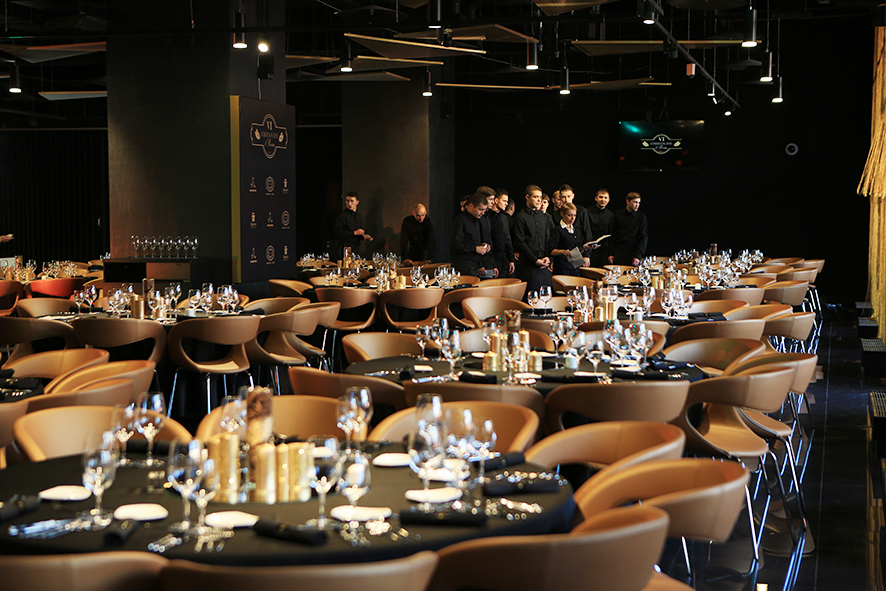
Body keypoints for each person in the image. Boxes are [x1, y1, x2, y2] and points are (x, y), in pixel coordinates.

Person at [511, 184, 552, 294]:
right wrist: (535, 260)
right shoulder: (520, 217)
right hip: (528, 264)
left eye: (540, 197)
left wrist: (548, 257)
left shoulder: (543, 216)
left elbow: (547, 238)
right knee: (531, 297)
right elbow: (520, 242)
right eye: (535, 197)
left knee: (545, 296)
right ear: (527, 197)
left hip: (543, 263)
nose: (539, 200)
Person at [450, 192, 496, 278]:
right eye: (480, 209)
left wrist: (482, 246)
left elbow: (472, 241)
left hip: (475, 266)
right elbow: (455, 244)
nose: (483, 213)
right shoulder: (460, 220)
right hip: (463, 267)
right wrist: (475, 248)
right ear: (471, 206)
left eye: (484, 210)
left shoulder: (477, 220)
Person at [550, 202, 590, 276]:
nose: (572, 218)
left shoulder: (575, 230)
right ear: (562, 214)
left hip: (575, 267)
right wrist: (563, 251)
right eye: (569, 215)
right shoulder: (558, 230)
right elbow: (551, 251)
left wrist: (584, 248)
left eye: (574, 215)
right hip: (562, 267)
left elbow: (576, 249)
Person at [609, 191, 648, 267]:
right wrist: (610, 253)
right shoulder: (618, 215)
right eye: (635, 202)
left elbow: (643, 237)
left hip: (633, 254)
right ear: (627, 201)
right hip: (619, 253)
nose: (637, 205)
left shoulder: (641, 217)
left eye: (639, 203)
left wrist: (638, 256)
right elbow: (613, 235)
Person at [483, 187, 515, 278]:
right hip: (490, 261)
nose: (506, 204)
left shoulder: (504, 218)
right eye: (504, 201)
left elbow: (507, 239)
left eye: (507, 201)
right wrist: (491, 264)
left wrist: (511, 260)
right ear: (496, 200)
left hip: (503, 260)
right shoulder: (486, 217)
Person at [333, 191, 372, 259]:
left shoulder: (358, 216)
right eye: (347, 201)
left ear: (357, 202)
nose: (349, 203)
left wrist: (364, 236)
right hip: (345, 248)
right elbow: (337, 232)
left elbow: (357, 234)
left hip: (355, 248)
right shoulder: (342, 215)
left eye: (352, 201)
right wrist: (354, 232)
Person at [588, 188, 614, 268]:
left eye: (605, 197)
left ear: (609, 200)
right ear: (596, 198)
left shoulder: (610, 214)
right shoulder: (588, 212)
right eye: (601, 197)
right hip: (590, 249)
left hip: (604, 251)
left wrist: (610, 253)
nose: (603, 200)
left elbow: (611, 234)